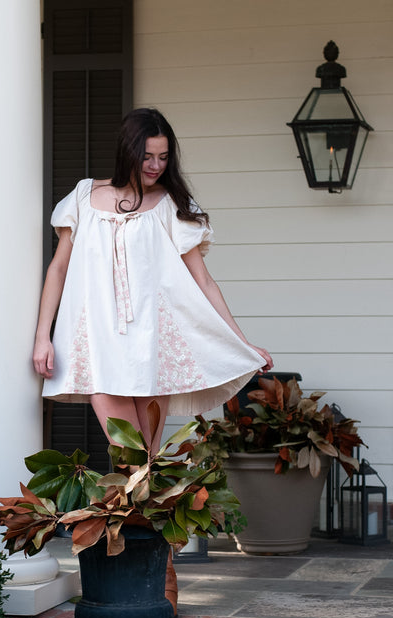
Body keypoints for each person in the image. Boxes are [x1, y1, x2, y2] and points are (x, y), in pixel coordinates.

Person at [33, 107, 273, 455]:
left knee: (148, 460)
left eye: (163, 157)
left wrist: (243, 342)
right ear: (127, 151)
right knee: (130, 459)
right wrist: (44, 337)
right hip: (100, 346)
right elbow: (58, 269)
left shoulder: (172, 205)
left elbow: (203, 282)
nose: (155, 165)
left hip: (151, 349)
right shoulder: (84, 197)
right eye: (146, 156)